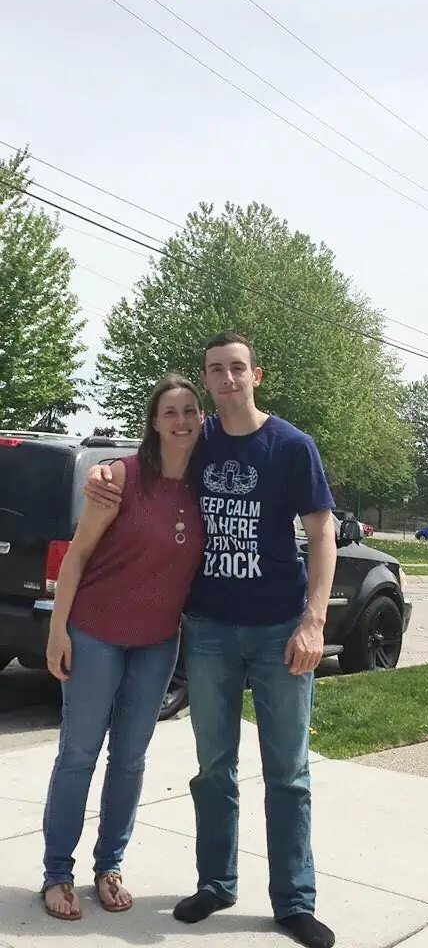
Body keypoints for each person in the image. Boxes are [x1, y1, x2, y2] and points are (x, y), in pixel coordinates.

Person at [85, 332, 337, 948]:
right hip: (210, 630)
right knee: (213, 768)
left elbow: (323, 531)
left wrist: (314, 621)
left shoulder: (292, 447)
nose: (226, 379)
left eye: (236, 369)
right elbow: (145, 464)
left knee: (288, 772)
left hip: (281, 628)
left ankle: (293, 901)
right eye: (215, 372)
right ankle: (216, 882)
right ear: (207, 381)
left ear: (257, 374)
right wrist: (103, 471)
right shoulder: (197, 441)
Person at [41, 374, 204, 921]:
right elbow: (77, 556)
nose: (181, 420)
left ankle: (109, 866)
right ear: (154, 422)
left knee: (130, 760)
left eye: (190, 411)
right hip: (94, 634)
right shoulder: (120, 479)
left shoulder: (206, 488)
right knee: (79, 755)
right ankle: (56, 872)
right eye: (170, 412)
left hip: (157, 644)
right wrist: (57, 631)